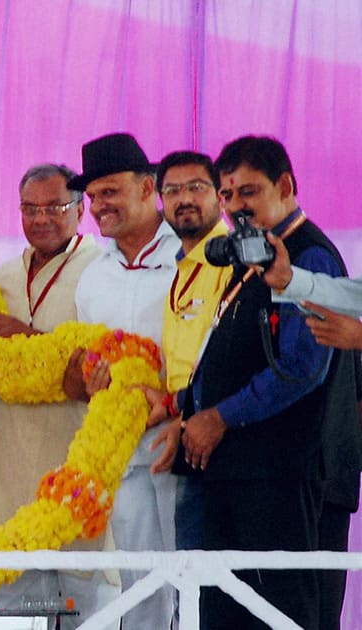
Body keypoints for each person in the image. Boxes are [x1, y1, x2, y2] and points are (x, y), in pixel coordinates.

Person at [152, 136, 354, 629]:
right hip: (238, 470)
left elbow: (301, 369)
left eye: (249, 192)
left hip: (281, 472)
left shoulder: (308, 257)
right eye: (228, 195)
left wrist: (217, 418)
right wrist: (184, 406)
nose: (235, 207)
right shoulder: (252, 257)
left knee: (278, 613)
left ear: (285, 186)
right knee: (225, 611)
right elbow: (236, 357)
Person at [0, 164, 113, 628]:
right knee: (15, 614)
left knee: (88, 612)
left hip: (76, 468)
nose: (41, 218)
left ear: (81, 209)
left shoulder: (104, 272)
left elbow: (101, 361)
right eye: (30, 208)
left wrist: (28, 338)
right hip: (3, 467)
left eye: (55, 207)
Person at [65, 133, 180, 630]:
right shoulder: (94, 276)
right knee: (139, 580)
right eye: (91, 197)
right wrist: (91, 380)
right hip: (125, 453)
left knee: (195, 575)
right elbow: (91, 362)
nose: (98, 206)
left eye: (109, 192)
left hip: (185, 443)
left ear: (147, 188)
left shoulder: (193, 257)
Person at [146, 151, 232, 552]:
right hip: (187, 430)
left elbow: (230, 356)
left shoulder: (232, 260)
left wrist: (187, 410)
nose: (185, 199)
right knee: (191, 584)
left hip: (223, 432)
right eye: (173, 190)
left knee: (213, 583)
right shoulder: (180, 265)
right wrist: (168, 403)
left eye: (196, 188)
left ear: (220, 195)